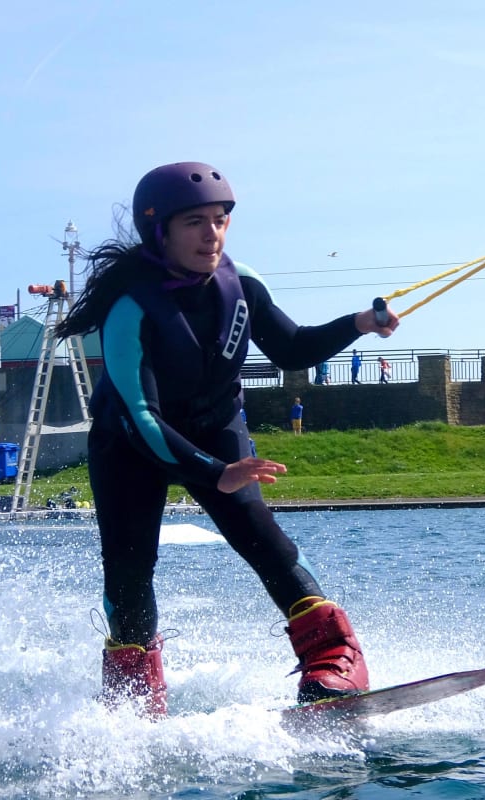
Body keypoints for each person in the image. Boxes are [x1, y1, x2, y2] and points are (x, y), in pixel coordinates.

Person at [53, 161, 399, 717]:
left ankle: (333, 660)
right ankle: (133, 693)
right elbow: (141, 415)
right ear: (158, 230)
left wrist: (359, 323)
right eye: (194, 222)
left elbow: (293, 350)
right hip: (132, 446)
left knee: (261, 538)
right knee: (129, 568)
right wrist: (214, 472)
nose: (211, 234)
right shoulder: (130, 309)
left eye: (220, 220)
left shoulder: (243, 283)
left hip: (217, 427)